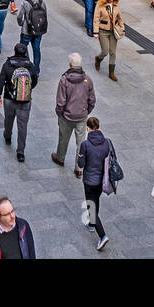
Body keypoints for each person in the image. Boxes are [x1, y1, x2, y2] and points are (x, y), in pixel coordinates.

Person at [76, 117, 114, 251]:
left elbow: (81, 164)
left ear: (88, 128)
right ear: (99, 127)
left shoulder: (85, 145)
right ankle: (92, 224)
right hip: (102, 180)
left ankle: (102, 235)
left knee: (91, 207)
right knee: (95, 200)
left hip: (89, 181)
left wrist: (82, 156)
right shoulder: (107, 143)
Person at [0, 42, 38, 162]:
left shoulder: (8, 65)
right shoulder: (30, 66)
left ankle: (7, 136)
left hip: (9, 98)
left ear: (14, 52)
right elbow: (34, 81)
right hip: (25, 100)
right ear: (25, 53)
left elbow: (1, 81)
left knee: (8, 119)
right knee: (22, 126)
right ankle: (20, 152)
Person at [52, 53, 95, 173]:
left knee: (63, 138)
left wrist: (59, 113)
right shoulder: (88, 80)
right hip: (81, 116)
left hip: (66, 116)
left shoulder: (64, 80)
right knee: (81, 142)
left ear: (70, 64)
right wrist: (86, 111)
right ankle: (79, 168)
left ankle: (60, 158)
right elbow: (92, 100)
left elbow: (61, 101)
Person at [14, 0, 49, 73]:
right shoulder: (42, 3)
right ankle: (36, 70)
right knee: (36, 49)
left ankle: (27, 66)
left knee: (23, 48)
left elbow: (19, 16)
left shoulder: (25, 3)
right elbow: (44, 15)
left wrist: (21, 23)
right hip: (38, 30)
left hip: (26, 30)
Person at [92, 0, 124, 82]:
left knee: (113, 52)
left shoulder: (116, 5)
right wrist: (96, 32)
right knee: (105, 51)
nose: (111, 0)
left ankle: (111, 73)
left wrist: (122, 28)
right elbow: (96, 19)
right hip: (103, 31)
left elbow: (119, 18)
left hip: (113, 31)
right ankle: (98, 59)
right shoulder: (100, 4)